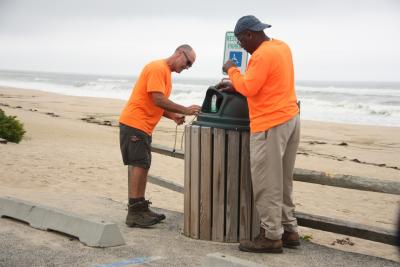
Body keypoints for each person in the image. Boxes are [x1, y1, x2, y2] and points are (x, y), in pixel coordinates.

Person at [217, 15, 300, 253]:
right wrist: (240, 82)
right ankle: (289, 229)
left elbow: (249, 88)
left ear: (250, 34)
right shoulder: (282, 47)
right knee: (284, 180)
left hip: (270, 124)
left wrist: (232, 70)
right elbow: (265, 83)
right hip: (291, 118)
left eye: (241, 41)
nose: (241, 46)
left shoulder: (261, 55)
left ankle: (271, 236)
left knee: (267, 181)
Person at [119, 45, 201, 227]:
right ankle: (134, 212)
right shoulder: (157, 68)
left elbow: (156, 103)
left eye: (190, 66)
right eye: (188, 63)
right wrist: (185, 109)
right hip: (135, 123)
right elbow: (157, 98)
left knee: (143, 164)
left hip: (142, 126)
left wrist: (173, 115)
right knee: (139, 165)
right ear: (180, 53)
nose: (187, 67)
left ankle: (140, 207)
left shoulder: (165, 73)